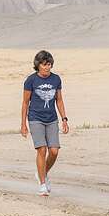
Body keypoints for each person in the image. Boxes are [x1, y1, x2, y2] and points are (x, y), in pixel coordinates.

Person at [20, 50, 69, 196]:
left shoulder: (56, 79)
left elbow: (59, 100)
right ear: (38, 65)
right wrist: (23, 124)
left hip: (52, 119)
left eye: (49, 64)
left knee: (54, 151)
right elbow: (25, 103)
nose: (47, 67)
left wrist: (64, 119)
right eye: (44, 64)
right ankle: (42, 184)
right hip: (35, 118)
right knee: (42, 150)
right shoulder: (31, 80)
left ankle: (42, 173)